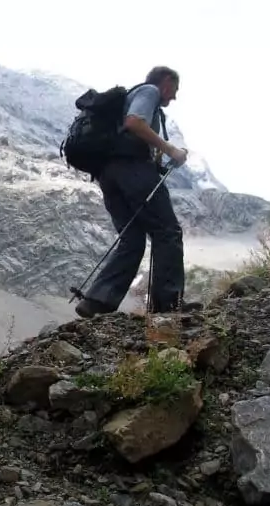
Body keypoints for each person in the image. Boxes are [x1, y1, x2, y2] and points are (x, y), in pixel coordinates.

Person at [75, 66, 201, 318]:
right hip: (132, 169)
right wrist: (171, 150)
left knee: (132, 238)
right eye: (174, 90)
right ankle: (167, 306)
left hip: (109, 174)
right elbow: (134, 122)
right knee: (167, 231)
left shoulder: (129, 99)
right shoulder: (149, 91)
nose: (173, 97)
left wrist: (158, 158)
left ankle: (96, 302)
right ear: (166, 83)